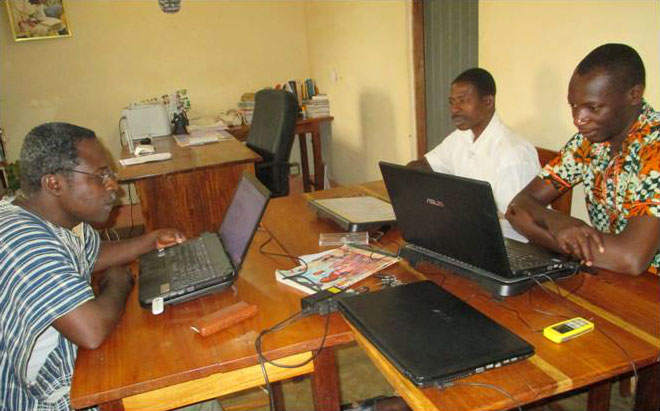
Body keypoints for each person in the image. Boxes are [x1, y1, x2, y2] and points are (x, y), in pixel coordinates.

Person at [0, 123, 185, 410]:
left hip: (75, 372)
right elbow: (92, 331)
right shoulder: (22, 239)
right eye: (100, 177)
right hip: (47, 400)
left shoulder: (61, 222)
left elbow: (92, 257)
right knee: (177, 378)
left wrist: (150, 241)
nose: (114, 187)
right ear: (54, 183)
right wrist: (118, 283)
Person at [506, 43, 659, 275]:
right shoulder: (587, 142)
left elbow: (630, 258)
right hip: (606, 274)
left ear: (634, 95)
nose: (579, 119)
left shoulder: (654, 149)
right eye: (574, 106)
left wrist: (552, 233)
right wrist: (557, 223)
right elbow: (517, 207)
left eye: (593, 107)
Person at [410, 67, 540, 238]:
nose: (454, 109)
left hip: (508, 242)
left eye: (463, 101)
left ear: (488, 102)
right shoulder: (462, 136)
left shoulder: (512, 153)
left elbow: (519, 223)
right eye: (451, 102)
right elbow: (426, 166)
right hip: (470, 231)